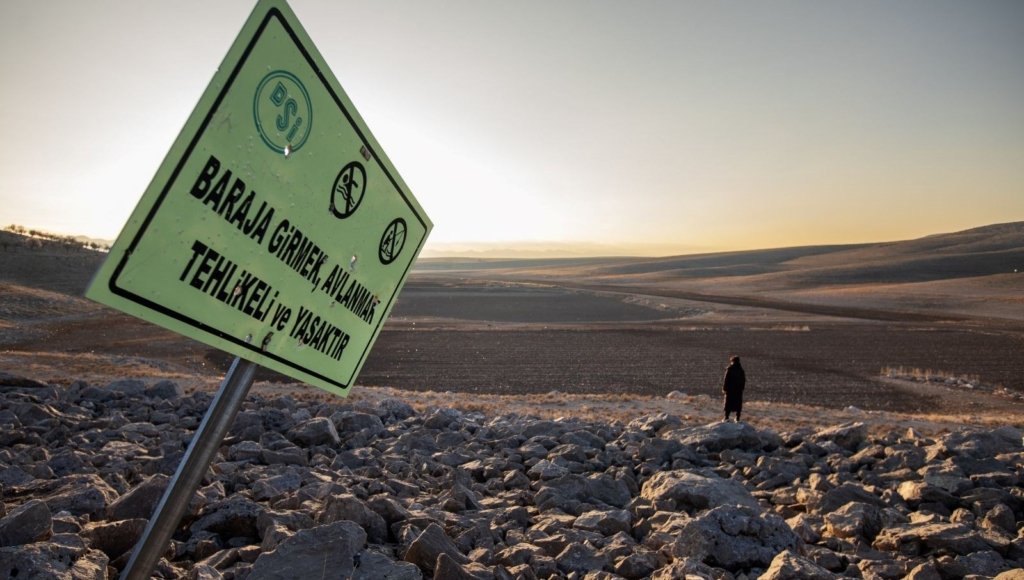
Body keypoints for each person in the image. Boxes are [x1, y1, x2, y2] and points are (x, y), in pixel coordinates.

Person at [722, 355, 746, 422]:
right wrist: (741, 388)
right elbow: (743, 380)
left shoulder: (730, 369)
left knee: (728, 404)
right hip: (738, 391)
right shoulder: (741, 370)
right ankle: (737, 418)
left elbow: (726, 379)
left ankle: (726, 417)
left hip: (730, 390)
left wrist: (724, 388)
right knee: (738, 404)